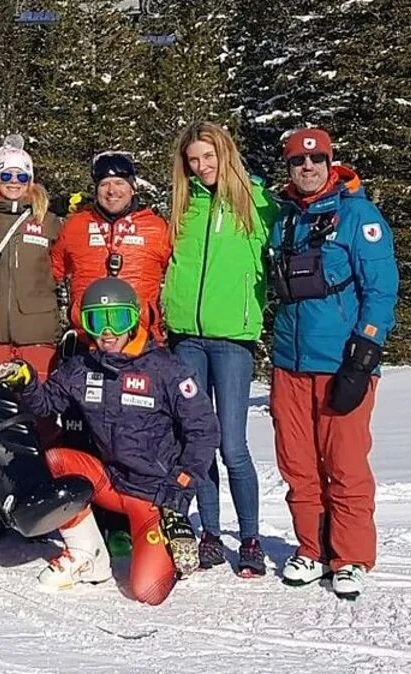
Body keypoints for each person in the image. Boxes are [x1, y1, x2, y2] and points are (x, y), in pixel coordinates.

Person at [0, 277, 218, 605]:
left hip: (152, 495)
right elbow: (48, 403)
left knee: (147, 592)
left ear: (134, 321)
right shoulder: (82, 368)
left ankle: (172, 538)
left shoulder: (166, 370)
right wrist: (26, 380)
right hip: (111, 483)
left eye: (119, 320)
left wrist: (181, 484)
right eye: (98, 321)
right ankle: (89, 554)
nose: (108, 332)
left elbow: (204, 429)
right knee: (54, 460)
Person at [268, 128, 399, 600]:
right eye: (298, 162)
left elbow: (381, 287)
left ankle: (350, 557)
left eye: (316, 160)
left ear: (330, 162)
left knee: (344, 464)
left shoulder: (358, 215)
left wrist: (366, 351)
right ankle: (311, 548)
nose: (307, 168)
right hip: (289, 362)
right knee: (297, 465)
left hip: (342, 361)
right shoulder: (282, 218)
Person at [162, 122, 280, 575]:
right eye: (193, 160)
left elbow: (300, 229)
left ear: (224, 154)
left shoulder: (257, 202)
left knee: (233, 445)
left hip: (233, 340)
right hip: (186, 338)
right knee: (199, 442)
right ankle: (210, 532)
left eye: (208, 157)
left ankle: (249, 538)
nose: (201, 166)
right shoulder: (184, 206)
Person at [0, 136, 63, 382]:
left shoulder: (47, 221)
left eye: (21, 177)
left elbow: (63, 267)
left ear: (30, 180)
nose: (14, 183)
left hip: (37, 333)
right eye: (6, 176)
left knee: (39, 409)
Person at [51, 152, 171, 343]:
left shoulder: (156, 227)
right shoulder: (76, 225)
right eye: (104, 184)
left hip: (140, 337)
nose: (111, 191)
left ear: (133, 188)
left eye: (119, 183)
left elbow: (181, 274)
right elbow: (50, 273)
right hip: (88, 336)